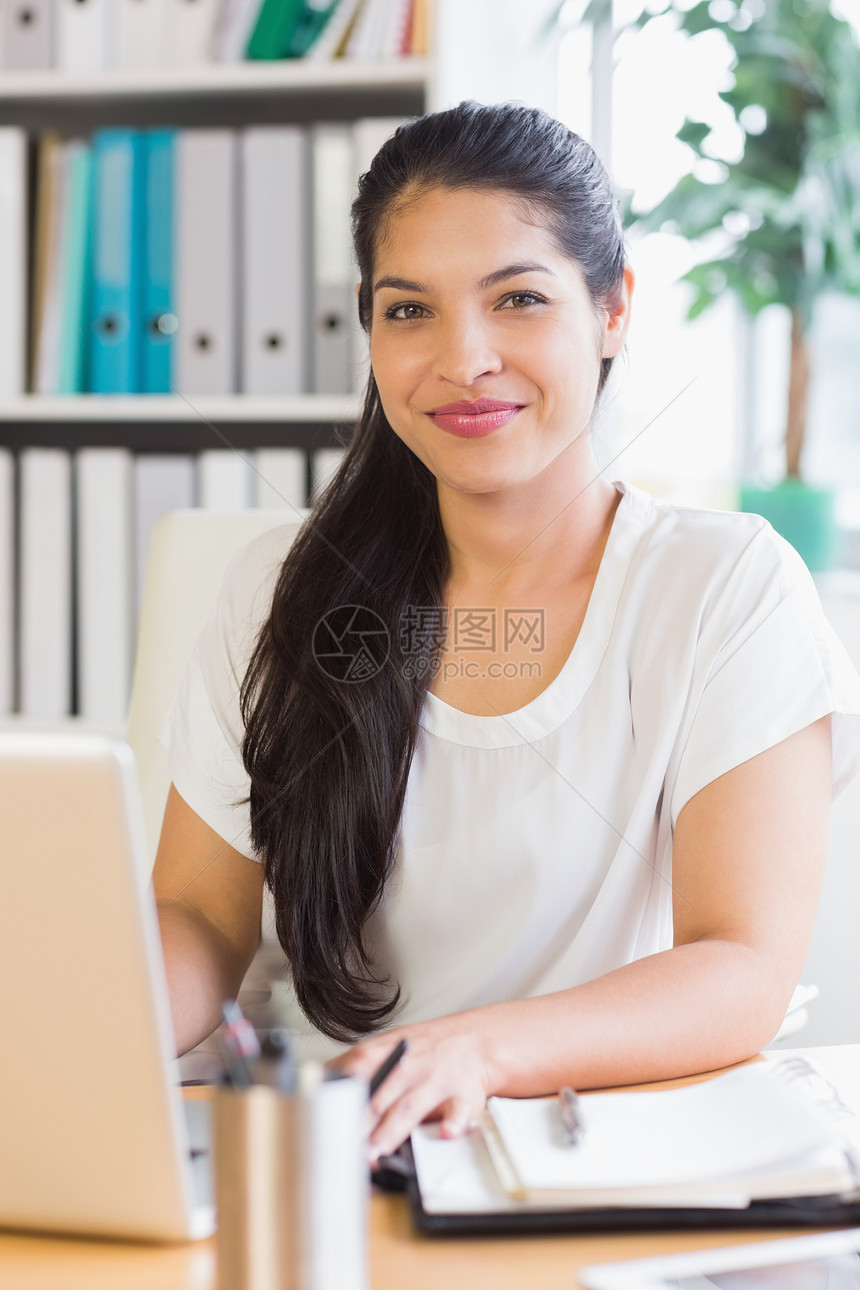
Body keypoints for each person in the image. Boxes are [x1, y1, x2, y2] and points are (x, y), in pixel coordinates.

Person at [154, 100, 860, 1162]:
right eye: (409, 312)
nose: (463, 358)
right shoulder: (277, 591)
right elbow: (200, 921)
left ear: (612, 309)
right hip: (310, 1148)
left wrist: (466, 1055)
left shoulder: (723, 587)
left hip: (571, 1149)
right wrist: (84, 1021)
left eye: (517, 299)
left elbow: (739, 964)